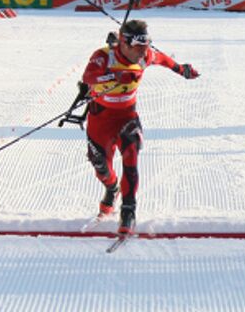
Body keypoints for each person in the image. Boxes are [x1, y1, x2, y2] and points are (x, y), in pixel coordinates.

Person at [81, 19, 200, 234]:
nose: (143, 53)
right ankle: (111, 187)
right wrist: (116, 75)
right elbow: (88, 76)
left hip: (127, 115)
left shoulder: (145, 55)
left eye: (146, 47)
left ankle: (128, 210)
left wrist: (181, 69)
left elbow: (162, 58)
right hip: (101, 118)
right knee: (100, 166)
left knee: (131, 155)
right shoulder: (103, 55)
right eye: (138, 48)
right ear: (124, 44)